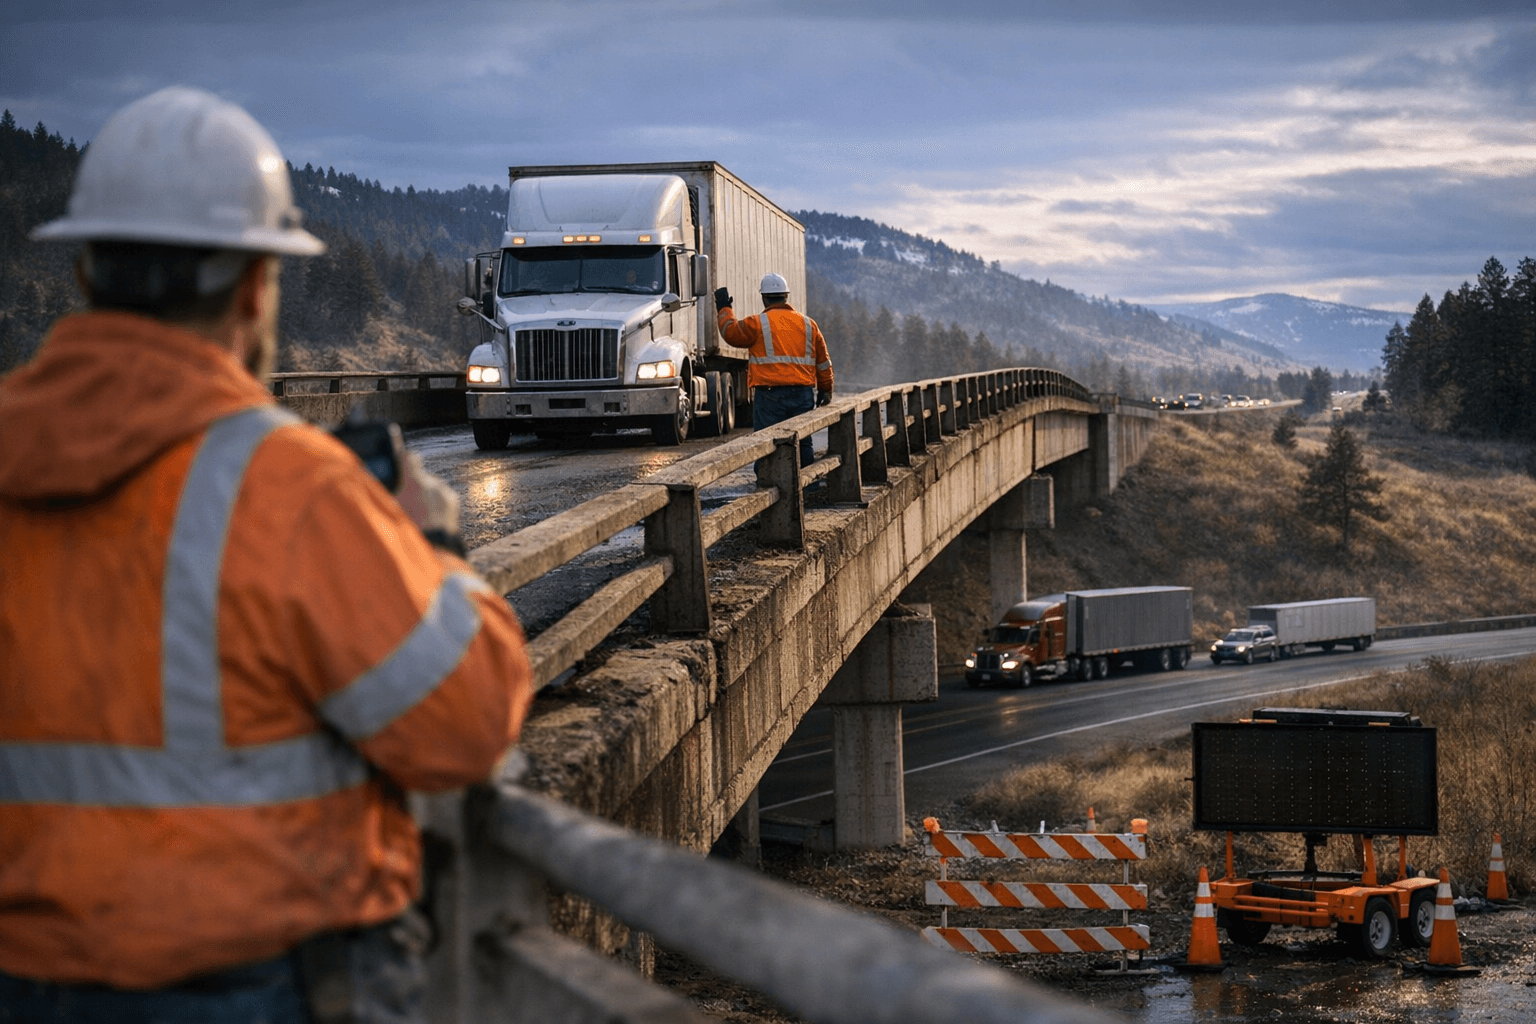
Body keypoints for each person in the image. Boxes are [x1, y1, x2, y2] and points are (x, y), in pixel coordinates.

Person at [0, 87, 534, 1022]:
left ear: (85, 273)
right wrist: (431, 541)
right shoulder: (287, 488)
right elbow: (466, 725)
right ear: (256, 287)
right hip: (266, 982)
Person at [715, 272, 834, 473]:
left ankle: (767, 481)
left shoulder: (757, 323)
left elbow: (731, 333)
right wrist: (825, 389)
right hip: (802, 394)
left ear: (764, 298)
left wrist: (724, 308)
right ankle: (807, 485)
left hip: (770, 395)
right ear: (786, 296)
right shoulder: (808, 324)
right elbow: (823, 362)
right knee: (803, 441)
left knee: (767, 441)